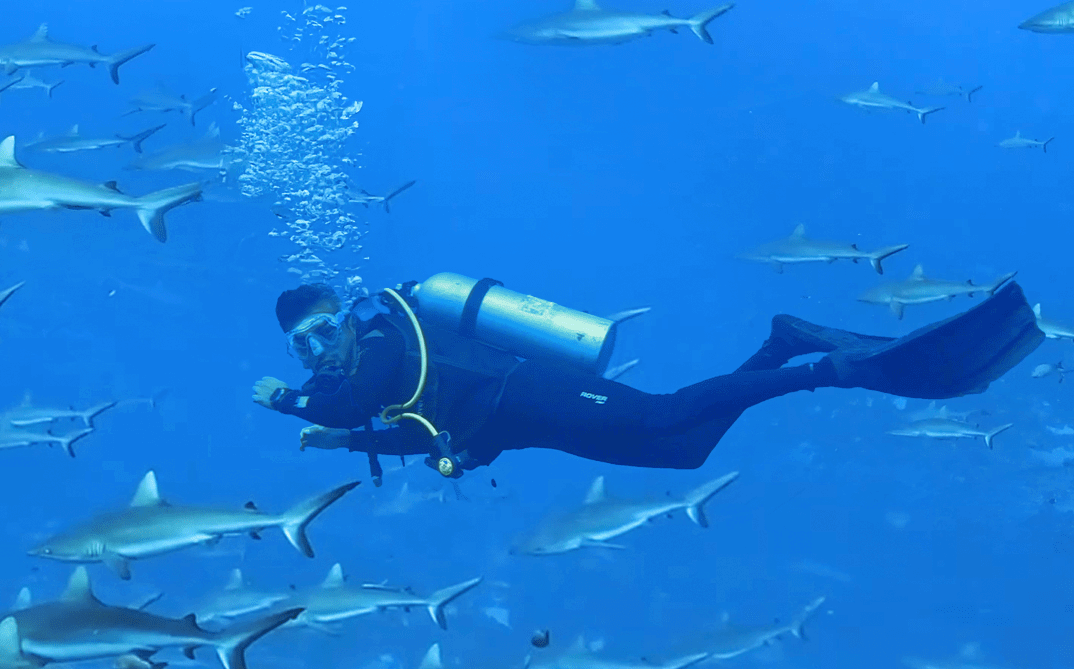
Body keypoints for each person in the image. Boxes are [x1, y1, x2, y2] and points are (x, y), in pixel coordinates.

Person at [252, 278, 1042, 476]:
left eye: (323, 330)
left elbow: (362, 399)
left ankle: (831, 371)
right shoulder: (358, 381)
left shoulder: (384, 340)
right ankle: (780, 346)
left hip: (529, 395)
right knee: (681, 454)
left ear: (346, 319)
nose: (316, 350)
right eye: (301, 347)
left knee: (666, 413)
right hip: (516, 431)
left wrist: (292, 406)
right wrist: (335, 442)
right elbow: (402, 436)